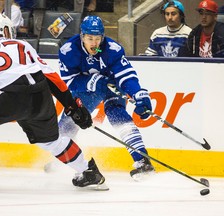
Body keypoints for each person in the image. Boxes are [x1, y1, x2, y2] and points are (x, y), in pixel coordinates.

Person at [0, 13, 107, 191]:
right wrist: (71, 106)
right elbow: (51, 77)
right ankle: (88, 171)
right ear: (6, 31)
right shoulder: (23, 45)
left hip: (9, 95)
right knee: (51, 141)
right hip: (41, 96)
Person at [58, 15, 154, 180]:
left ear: (103, 37)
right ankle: (60, 159)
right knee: (68, 124)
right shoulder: (69, 51)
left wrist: (138, 93)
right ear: (82, 36)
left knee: (118, 114)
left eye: (97, 38)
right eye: (90, 38)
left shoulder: (112, 49)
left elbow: (126, 74)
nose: (94, 43)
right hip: (85, 89)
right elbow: (69, 81)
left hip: (111, 86)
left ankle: (143, 161)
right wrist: (92, 82)